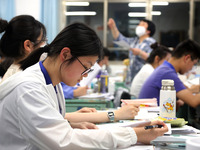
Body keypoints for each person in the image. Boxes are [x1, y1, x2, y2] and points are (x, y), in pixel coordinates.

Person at [0, 22, 168, 149]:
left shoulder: (51, 81)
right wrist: (133, 134)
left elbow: (52, 129)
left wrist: (68, 125)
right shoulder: (29, 88)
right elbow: (64, 142)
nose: (86, 75)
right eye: (86, 67)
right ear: (65, 54)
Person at [139, 39, 200, 107]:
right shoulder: (167, 73)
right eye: (193, 64)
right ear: (187, 58)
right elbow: (193, 101)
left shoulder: (165, 69)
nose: (191, 68)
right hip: (151, 117)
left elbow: (185, 91)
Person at [0, 15, 47, 82]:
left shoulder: (16, 72)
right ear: (28, 45)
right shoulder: (24, 79)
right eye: (42, 40)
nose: (44, 45)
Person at [108, 18, 156, 83]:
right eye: (139, 24)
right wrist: (113, 27)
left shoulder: (152, 43)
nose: (139, 26)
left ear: (148, 31)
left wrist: (140, 53)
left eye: (143, 24)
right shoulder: (135, 41)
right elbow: (119, 39)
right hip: (131, 77)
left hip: (143, 78)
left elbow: (153, 60)